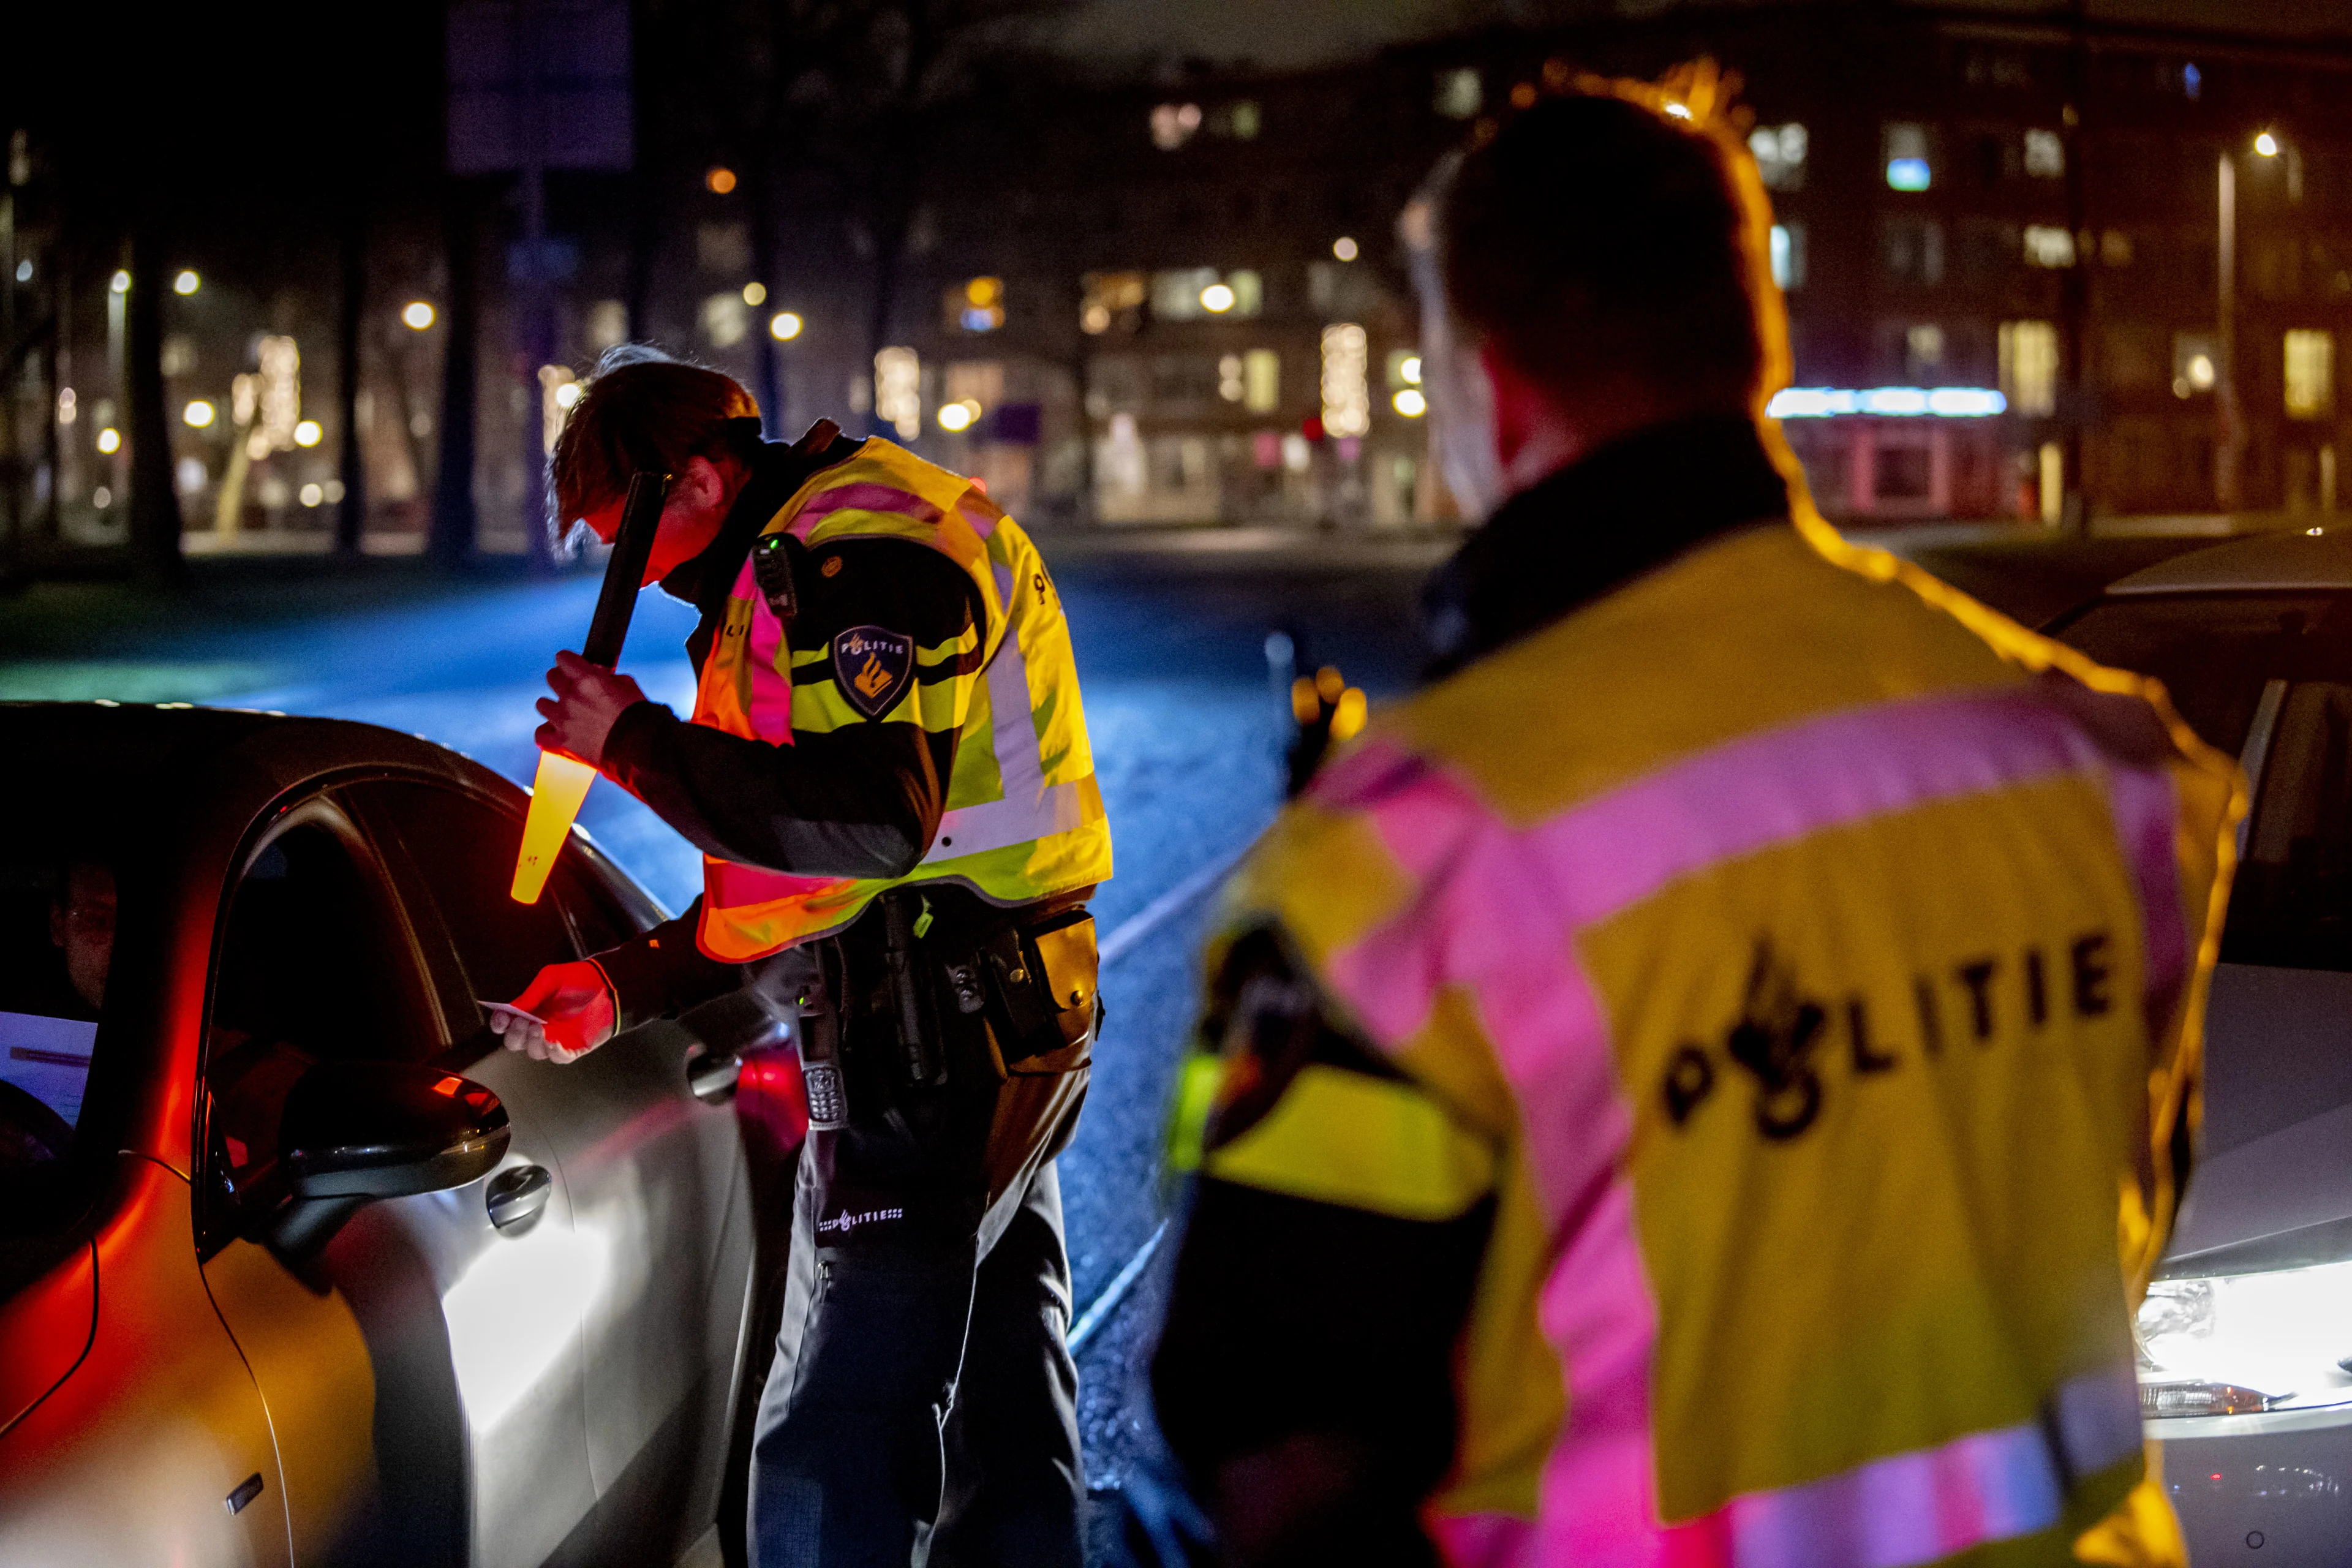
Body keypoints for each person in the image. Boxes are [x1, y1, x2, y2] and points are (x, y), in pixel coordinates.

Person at [1144, 68, 2237, 1568]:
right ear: (1758, 345)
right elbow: (2111, 1202)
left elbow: (1279, 1452)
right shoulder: (2106, 757)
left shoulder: (1405, 856)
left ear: (1493, 380)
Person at [492, 347, 1112, 1568]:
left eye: (623, 525)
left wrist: (635, 744)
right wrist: (624, 985)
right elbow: (796, 878)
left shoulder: (857, 553)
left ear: (706, 479)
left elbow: (872, 823)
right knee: (1003, 1393)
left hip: (936, 1031)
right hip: (994, 1004)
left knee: (833, 1426)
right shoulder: (797, 561)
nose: (632, 562)